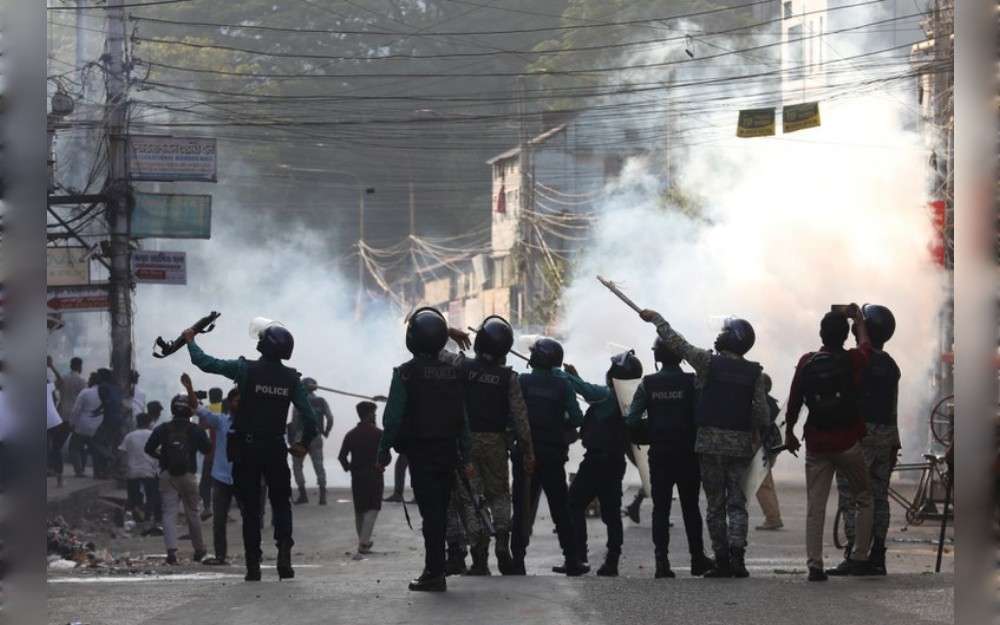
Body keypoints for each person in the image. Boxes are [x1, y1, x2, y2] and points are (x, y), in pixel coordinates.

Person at [638, 310, 769, 579]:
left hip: (709, 444)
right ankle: (738, 559)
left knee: (715, 505)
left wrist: (657, 320)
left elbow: (678, 344)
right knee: (737, 503)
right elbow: (761, 415)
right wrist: (755, 433)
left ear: (729, 339)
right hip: (739, 446)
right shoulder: (754, 372)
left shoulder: (708, 363)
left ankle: (721, 561)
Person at [183, 322, 317, 582]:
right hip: (276, 448)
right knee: (281, 503)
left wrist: (191, 341)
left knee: (251, 509)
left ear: (264, 345)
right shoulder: (292, 379)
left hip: (247, 448)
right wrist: (304, 442)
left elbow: (207, 363)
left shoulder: (245, 369)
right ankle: (283, 556)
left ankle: (253, 565)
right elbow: (310, 418)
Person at [375, 307, 475, 592]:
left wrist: (383, 453)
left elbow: (392, 418)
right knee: (440, 511)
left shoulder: (405, 374)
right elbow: (462, 419)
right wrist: (466, 455)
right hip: (447, 452)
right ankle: (437, 567)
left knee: (430, 513)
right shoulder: (454, 372)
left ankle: (434, 572)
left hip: (420, 453)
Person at [784, 305, 876, 581]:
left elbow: (795, 400)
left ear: (821, 334)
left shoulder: (807, 361)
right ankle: (860, 556)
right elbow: (867, 348)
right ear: (845, 336)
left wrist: (789, 432)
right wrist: (859, 322)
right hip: (848, 441)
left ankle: (815, 564)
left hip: (817, 443)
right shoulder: (852, 360)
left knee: (816, 505)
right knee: (864, 497)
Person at [626, 337, 715, 578]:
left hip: (660, 454)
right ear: (681, 357)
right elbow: (703, 413)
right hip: (688, 454)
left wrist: (652, 429)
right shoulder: (692, 382)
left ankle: (661, 563)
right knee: (690, 508)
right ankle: (697, 559)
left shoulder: (648, 384)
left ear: (657, 357)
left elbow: (632, 419)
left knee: (661, 508)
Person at [510, 337, 589, 577]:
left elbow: (511, 415)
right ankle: (572, 560)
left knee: (522, 508)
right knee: (561, 509)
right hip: (553, 455)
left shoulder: (521, 381)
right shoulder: (563, 386)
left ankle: (518, 561)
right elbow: (577, 418)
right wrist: (558, 422)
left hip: (525, 456)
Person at [830, 304, 899, 576]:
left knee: (852, 495)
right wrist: (895, 442)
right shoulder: (892, 365)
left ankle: (854, 553)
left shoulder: (857, 359)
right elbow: (893, 404)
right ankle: (878, 556)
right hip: (885, 435)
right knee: (879, 498)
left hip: (859, 434)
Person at [563, 350, 643, 577]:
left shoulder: (608, 395)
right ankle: (612, 561)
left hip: (596, 462)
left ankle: (579, 556)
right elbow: (589, 393)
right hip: (615, 462)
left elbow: (586, 390)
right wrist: (576, 376)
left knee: (574, 504)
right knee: (611, 514)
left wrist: (562, 374)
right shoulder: (630, 400)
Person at [144, 390, 211, 565]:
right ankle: (199, 550)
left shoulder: (162, 428)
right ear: (190, 411)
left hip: (167, 475)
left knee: (169, 513)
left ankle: (172, 552)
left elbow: (148, 448)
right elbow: (207, 449)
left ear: (173, 409)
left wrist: (163, 457)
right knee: (193, 513)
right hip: (189, 475)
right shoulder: (195, 430)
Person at [194, 384, 240, 566]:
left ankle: (254, 553)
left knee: (251, 518)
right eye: (237, 401)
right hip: (221, 475)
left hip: (243, 475)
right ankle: (220, 555)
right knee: (219, 520)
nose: (240, 404)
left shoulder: (253, 424)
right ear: (229, 403)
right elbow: (199, 412)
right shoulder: (221, 421)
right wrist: (190, 390)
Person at [339, 401, 384, 559]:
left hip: (357, 476)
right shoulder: (379, 434)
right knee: (373, 508)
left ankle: (363, 541)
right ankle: (364, 543)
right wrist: (382, 464)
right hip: (375, 475)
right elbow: (387, 455)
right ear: (370, 414)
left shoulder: (351, 434)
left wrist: (349, 468)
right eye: (374, 413)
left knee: (360, 510)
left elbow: (341, 457)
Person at [290, 377, 334, 506]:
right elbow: (330, 418)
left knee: (297, 466)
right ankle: (322, 496)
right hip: (316, 436)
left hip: (301, 437)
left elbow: (294, 422)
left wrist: (293, 439)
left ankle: (303, 495)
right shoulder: (321, 401)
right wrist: (326, 431)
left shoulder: (298, 401)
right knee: (319, 465)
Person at [118, 412, 161, 526]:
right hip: (150, 472)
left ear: (137, 422)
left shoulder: (129, 436)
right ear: (149, 423)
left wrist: (123, 469)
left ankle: (137, 517)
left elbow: (122, 453)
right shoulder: (154, 435)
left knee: (134, 497)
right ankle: (148, 518)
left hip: (133, 472)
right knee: (151, 496)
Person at [755, 373, 785, 531]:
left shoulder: (761, 403)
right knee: (766, 483)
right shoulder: (772, 402)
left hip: (762, 448)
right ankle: (773, 516)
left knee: (761, 484)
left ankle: (772, 517)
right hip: (771, 448)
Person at [69, 372, 105, 478]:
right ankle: (97, 472)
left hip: (82, 426)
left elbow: (76, 410)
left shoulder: (85, 392)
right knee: (95, 450)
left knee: (74, 447)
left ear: (92, 381)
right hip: (98, 427)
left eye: (89, 379)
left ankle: (79, 471)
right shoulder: (104, 393)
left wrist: (72, 423)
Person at [198, 387, 224, 520]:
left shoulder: (207, 410)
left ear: (210, 397)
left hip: (211, 452)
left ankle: (207, 507)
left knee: (205, 483)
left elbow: (200, 428)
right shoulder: (225, 409)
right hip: (225, 452)